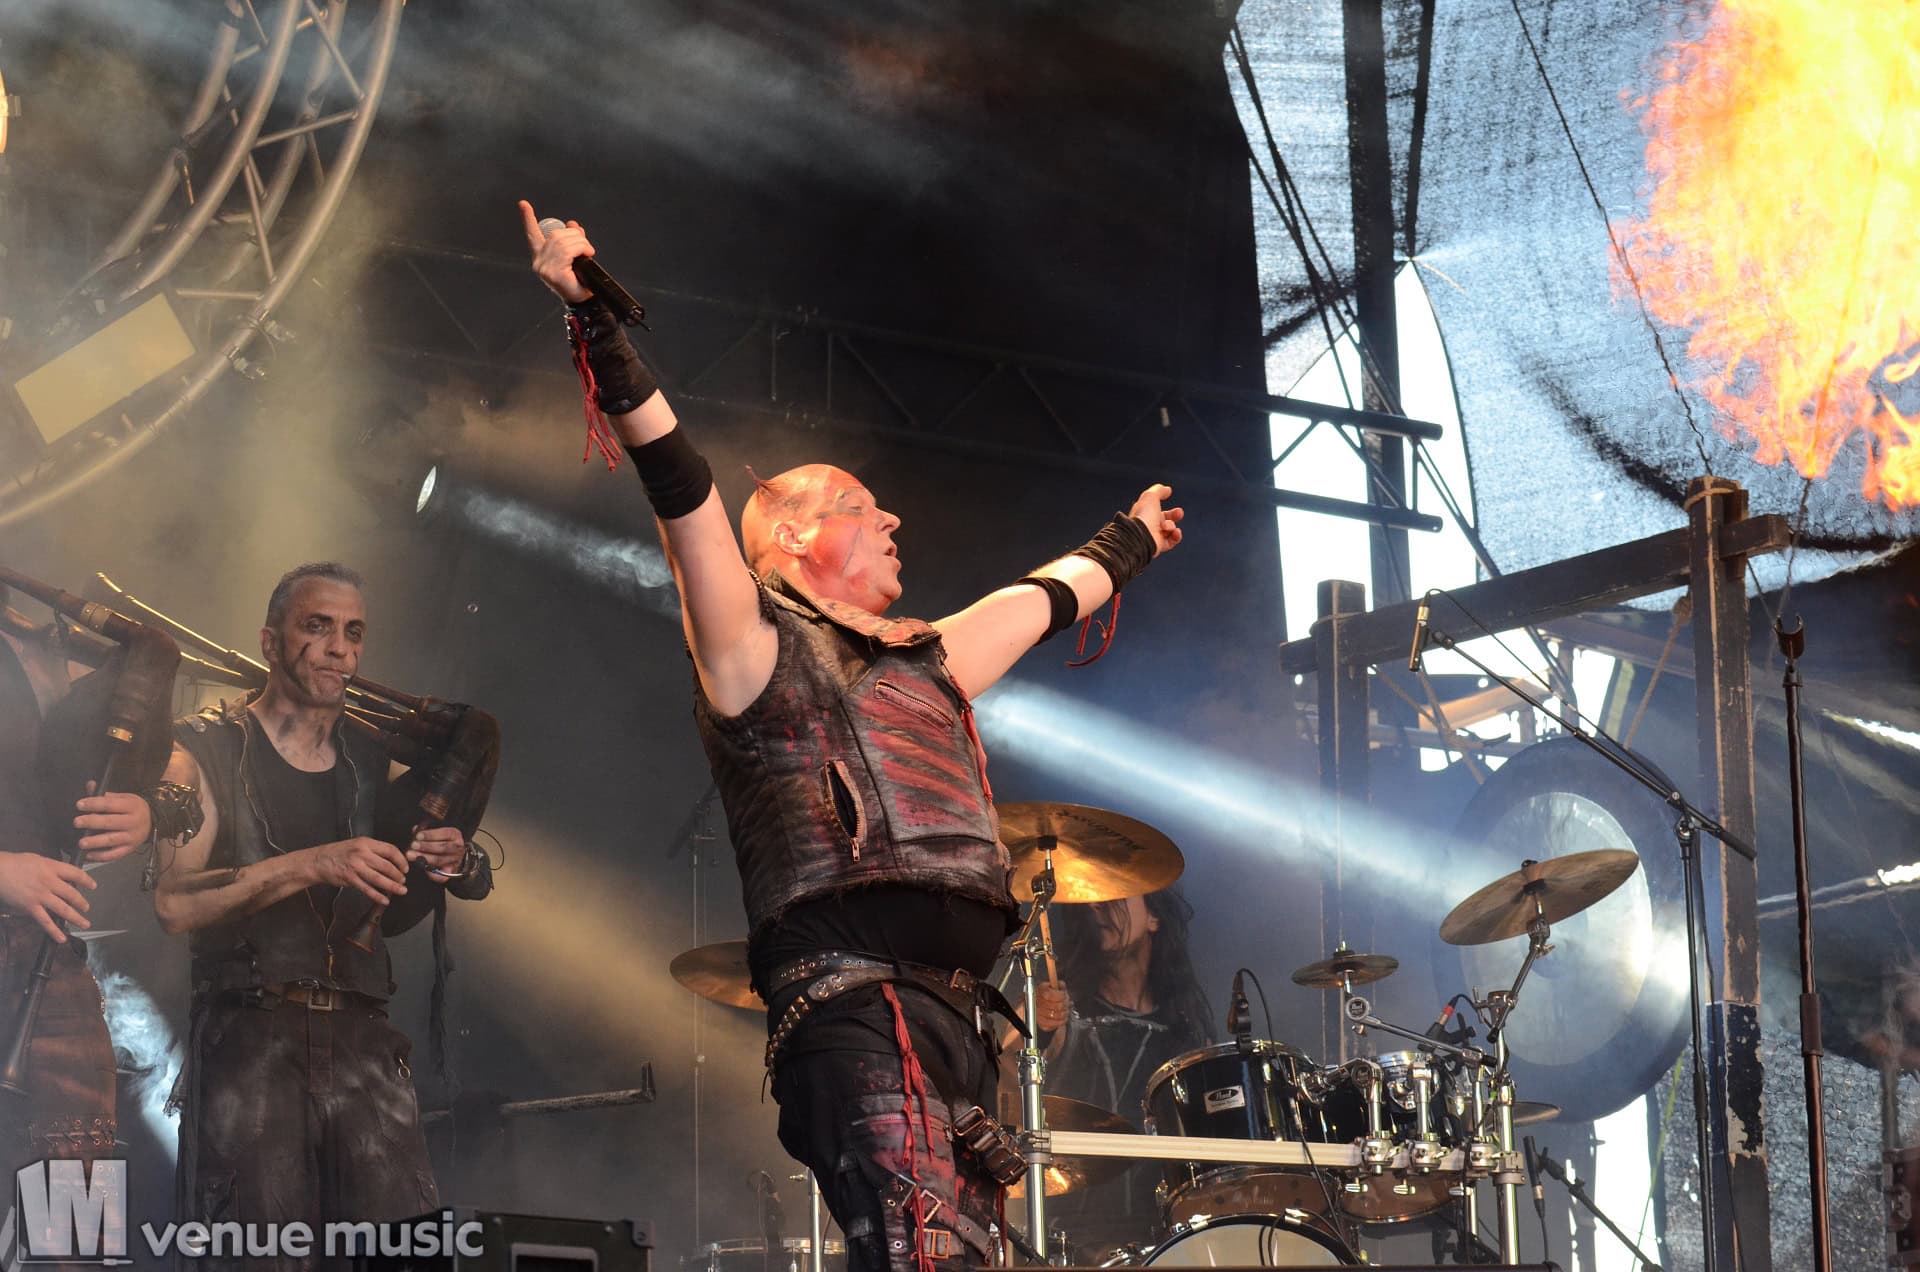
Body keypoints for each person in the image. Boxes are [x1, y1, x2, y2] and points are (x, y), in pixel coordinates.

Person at [523, 201, 1185, 1272]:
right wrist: (595, 321)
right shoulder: (750, 643)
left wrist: (1130, 540)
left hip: (956, 1023)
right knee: (923, 1253)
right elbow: (683, 491)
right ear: (791, 535)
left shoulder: (928, 658)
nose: (891, 520)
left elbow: (1038, 600)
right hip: (852, 1004)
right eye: (859, 505)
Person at [154, 563, 490, 1268]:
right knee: (260, 1256)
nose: (340, 648)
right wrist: (315, 863)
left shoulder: (370, 758)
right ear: (270, 641)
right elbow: (174, 902)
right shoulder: (200, 748)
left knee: (405, 1252)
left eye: (353, 632)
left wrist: (452, 860)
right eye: (318, 627)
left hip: (365, 1038)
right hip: (251, 1041)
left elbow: (394, 907)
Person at [0, 596, 157, 1175]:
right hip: (29, 934)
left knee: (74, 1205)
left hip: (46, 959)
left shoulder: (35, 644)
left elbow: (75, 793)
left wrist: (148, 811)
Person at [1026, 890, 1211, 1255]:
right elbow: (1007, 1067)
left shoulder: (1186, 1031)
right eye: (1089, 900)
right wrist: (1035, 1018)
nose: (1095, 906)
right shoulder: (1062, 1006)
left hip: (1169, 1238)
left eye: (1115, 896)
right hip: (1072, 1240)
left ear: (1154, 918)